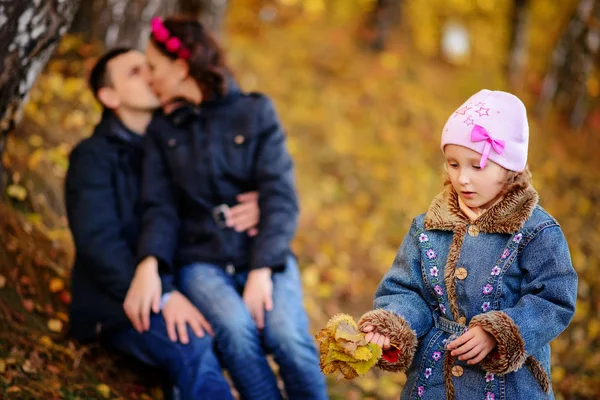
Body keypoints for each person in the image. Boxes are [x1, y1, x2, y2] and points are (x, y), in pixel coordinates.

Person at [130, 16, 328, 400]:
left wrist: (260, 271)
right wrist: (152, 262)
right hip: (201, 260)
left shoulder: (254, 112)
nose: (149, 78)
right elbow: (160, 207)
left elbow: (281, 195)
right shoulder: (163, 131)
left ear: (181, 66)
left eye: (153, 67)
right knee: (237, 334)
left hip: (262, 255)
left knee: (287, 337)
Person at [65, 47, 260, 399]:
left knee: (246, 327)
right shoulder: (92, 157)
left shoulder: (174, 144)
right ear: (109, 96)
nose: (150, 76)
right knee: (193, 340)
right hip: (117, 301)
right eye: (134, 72)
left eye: (149, 67)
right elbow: (98, 243)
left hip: (181, 279)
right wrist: (165, 296)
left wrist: (259, 201)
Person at [358, 89, 578, 399]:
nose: (462, 179)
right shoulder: (428, 227)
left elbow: (554, 300)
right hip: (432, 382)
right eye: (453, 164)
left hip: (506, 387)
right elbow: (408, 291)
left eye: (477, 166)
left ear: (510, 167)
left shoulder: (536, 232)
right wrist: (394, 322)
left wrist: (500, 332)